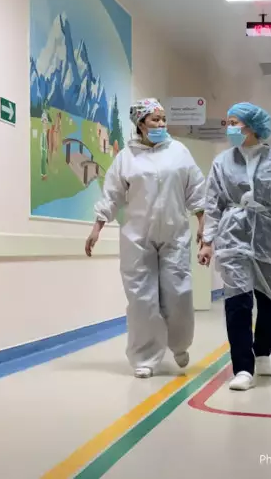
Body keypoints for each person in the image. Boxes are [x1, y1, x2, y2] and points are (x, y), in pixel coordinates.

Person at [86, 98, 207, 379]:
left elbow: (196, 190)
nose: (161, 124)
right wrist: (97, 226)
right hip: (138, 236)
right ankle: (145, 357)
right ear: (140, 124)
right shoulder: (126, 157)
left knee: (178, 294)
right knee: (142, 299)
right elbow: (112, 194)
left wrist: (203, 223)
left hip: (174, 234)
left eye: (163, 119)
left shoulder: (179, 152)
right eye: (155, 119)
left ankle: (179, 344)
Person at [198, 102, 271, 391]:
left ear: (252, 127)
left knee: (270, 301)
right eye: (227, 122)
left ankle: (263, 352)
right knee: (237, 303)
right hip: (233, 237)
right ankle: (243, 367)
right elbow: (213, 203)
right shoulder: (222, 162)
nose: (229, 128)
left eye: (234, 122)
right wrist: (207, 242)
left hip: (268, 236)